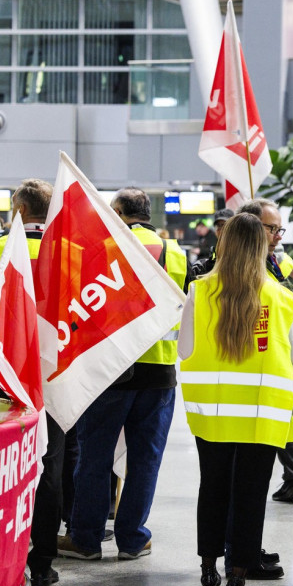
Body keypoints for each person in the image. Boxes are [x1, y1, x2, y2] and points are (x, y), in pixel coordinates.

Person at [178, 213, 293, 586]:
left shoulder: (199, 292)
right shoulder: (283, 298)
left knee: (212, 486)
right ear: (262, 247)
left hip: (210, 415)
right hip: (262, 416)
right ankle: (238, 577)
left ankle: (207, 565)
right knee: (250, 495)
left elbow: (183, 349)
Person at [57, 188, 191, 563]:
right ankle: (132, 538)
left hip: (109, 371)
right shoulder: (176, 253)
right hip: (159, 372)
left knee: (94, 456)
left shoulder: (99, 248)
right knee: (145, 460)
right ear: (147, 214)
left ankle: (85, 539)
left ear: (116, 211)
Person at [0, 179, 57, 586]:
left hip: (5, 376)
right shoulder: (69, 250)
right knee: (52, 465)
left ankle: (3, 548)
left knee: (4, 463)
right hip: (56, 376)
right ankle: (42, 562)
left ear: (20, 211)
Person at [237, 199, 293, 508]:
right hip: (259, 369)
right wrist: (288, 287)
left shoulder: (279, 259)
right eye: (272, 228)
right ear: (251, 226)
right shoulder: (238, 269)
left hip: (288, 358)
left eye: (280, 229)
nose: (278, 235)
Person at [189, 208, 233, 278]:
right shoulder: (216, 248)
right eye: (218, 225)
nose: (220, 229)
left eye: (224, 224)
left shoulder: (239, 247)